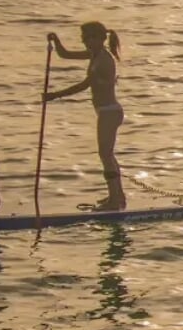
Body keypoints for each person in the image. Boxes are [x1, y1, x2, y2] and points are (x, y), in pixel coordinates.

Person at [44, 21, 125, 209]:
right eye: (83, 39)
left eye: (89, 38)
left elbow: (84, 85)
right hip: (104, 112)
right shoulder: (93, 54)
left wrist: (54, 95)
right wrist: (56, 39)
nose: (85, 42)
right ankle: (117, 195)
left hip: (109, 112)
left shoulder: (104, 60)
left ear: (100, 39)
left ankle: (115, 200)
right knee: (108, 155)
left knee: (105, 155)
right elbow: (65, 54)